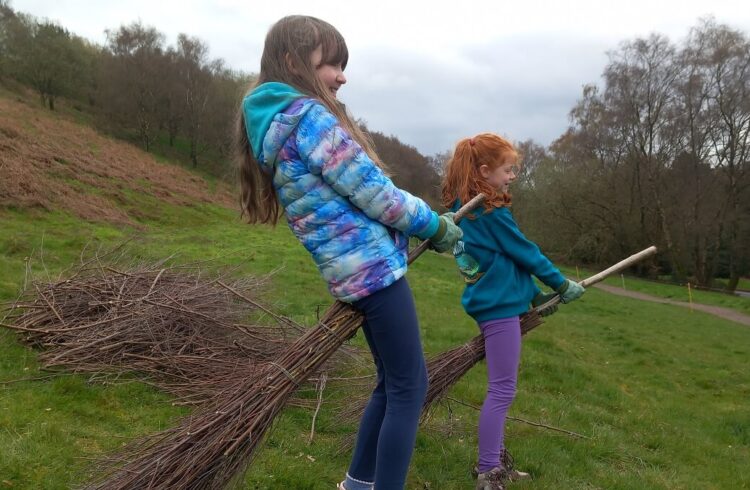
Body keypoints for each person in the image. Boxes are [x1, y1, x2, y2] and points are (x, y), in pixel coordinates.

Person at [236, 15, 463, 490]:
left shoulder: (276, 125)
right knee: (409, 387)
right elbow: (376, 194)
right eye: (332, 64)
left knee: (390, 383)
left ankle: (357, 485)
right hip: (373, 272)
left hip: (349, 273)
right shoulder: (308, 119)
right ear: (292, 62)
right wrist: (433, 224)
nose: (342, 76)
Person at [440, 133, 585, 490]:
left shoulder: (468, 208)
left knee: (502, 388)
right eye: (508, 170)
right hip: (498, 308)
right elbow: (524, 251)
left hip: (497, 301)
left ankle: (496, 463)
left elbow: (501, 261)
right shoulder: (489, 211)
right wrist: (560, 284)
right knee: (502, 390)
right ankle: (488, 472)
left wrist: (534, 296)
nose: (512, 176)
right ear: (486, 170)